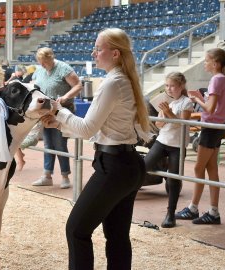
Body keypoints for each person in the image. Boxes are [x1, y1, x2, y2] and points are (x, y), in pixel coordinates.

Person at [41, 28, 149, 269]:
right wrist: (60, 123)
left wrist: (58, 110)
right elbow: (99, 129)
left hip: (115, 168)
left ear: (115, 54)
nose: (94, 52)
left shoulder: (112, 83)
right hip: (128, 164)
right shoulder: (124, 80)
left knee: (76, 230)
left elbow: (88, 129)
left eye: (99, 48)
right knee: (117, 236)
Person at [176, 48, 225, 225]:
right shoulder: (223, 79)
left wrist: (197, 100)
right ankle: (213, 211)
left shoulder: (216, 80)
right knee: (211, 169)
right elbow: (214, 106)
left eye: (206, 60)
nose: (204, 63)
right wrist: (203, 98)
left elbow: (209, 108)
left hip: (211, 128)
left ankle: (193, 208)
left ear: (215, 63)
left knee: (198, 168)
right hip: (218, 127)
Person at [144, 72, 193, 228]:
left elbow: (182, 123)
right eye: (167, 86)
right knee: (144, 166)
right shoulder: (167, 102)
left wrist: (169, 113)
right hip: (162, 141)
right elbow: (159, 125)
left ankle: (170, 214)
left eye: (172, 86)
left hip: (177, 145)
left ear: (181, 86)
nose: (169, 89)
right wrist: (163, 114)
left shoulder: (187, 102)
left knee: (173, 180)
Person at [31, 47, 82, 189]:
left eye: (44, 62)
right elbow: (35, 85)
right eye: (40, 62)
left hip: (62, 110)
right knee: (48, 144)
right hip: (46, 110)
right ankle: (47, 175)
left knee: (60, 144)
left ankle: (65, 176)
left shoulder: (63, 68)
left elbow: (78, 85)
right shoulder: (40, 69)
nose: (42, 65)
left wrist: (66, 97)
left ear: (51, 59)